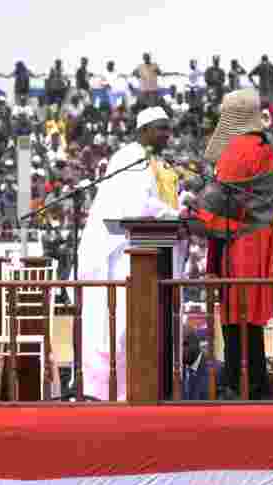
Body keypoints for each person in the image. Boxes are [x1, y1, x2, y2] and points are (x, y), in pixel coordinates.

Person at [77, 107, 183, 400]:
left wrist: (178, 212)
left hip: (142, 250)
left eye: (168, 128)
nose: (166, 134)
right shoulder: (129, 158)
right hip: (119, 252)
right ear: (144, 130)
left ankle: (139, 390)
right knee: (116, 327)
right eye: (160, 128)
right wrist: (176, 215)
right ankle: (106, 393)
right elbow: (139, 206)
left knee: (137, 325)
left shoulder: (155, 161)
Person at [193, 88, 273, 400]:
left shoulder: (238, 150)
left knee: (237, 314)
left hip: (241, 241)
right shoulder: (263, 147)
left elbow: (218, 203)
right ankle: (253, 380)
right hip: (256, 238)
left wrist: (194, 210)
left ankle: (240, 381)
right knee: (248, 318)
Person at [180, 328, 223, 401]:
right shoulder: (180, 372)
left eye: (185, 344)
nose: (181, 350)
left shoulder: (217, 369)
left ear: (196, 344)